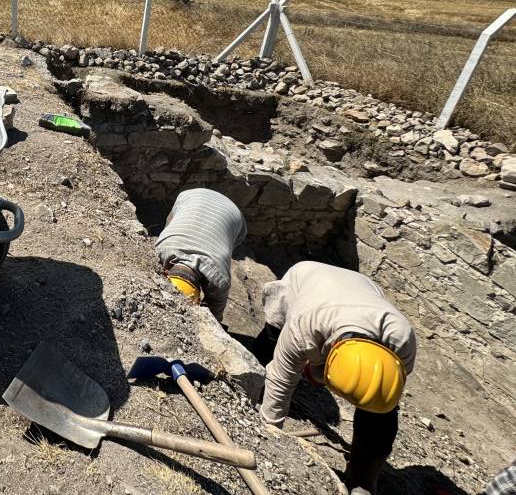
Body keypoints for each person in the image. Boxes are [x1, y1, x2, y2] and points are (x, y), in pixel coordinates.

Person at [252, 261, 416, 495]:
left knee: (380, 411)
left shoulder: (403, 340)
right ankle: (250, 379)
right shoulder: (303, 326)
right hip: (306, 277)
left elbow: (384, 396)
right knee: (272, 339)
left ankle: (361, 478)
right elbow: (281, 379)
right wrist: (270, 436)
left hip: (364, 288)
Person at [154, 188, 247, 322]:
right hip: (190, 197)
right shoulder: (161, 248)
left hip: (233, 216)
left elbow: (214, 318)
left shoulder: (220, 279)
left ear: (165, 273)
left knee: (225, 245)